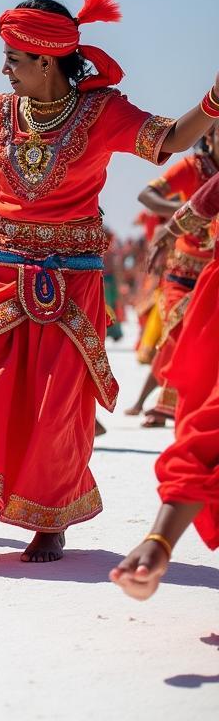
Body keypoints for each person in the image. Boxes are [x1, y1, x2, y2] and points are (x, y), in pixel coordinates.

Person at [0, 0, 218, 562]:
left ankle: (50, 521)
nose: (4, 69)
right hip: (3, 271)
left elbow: (169, 142)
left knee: (56, 404)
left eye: (13, 58)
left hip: (73, 279)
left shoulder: (102, 111)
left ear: (44, 59)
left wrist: (211, 101)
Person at [111, 167, 219, 599]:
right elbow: (156, 199)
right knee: (205, 420)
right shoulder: (193, 169)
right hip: (191, 283)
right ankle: (158, 543)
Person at [134, 126, 218, 426]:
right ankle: (165, 405)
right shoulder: (192, 168)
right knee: (179, 331)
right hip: (183, 271)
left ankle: (184, 407)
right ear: (209, 138)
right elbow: (147, 194)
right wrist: (183, 212)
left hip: (212, 271)